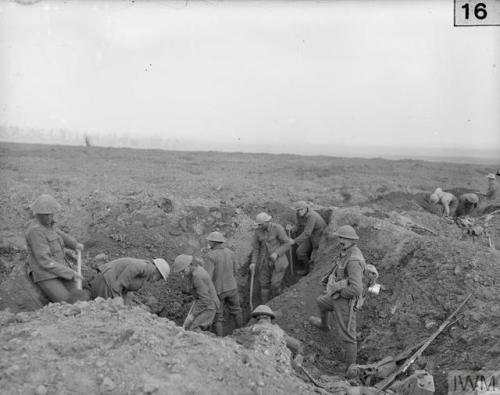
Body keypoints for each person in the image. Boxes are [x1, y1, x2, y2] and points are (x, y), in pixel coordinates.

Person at [308, 225, 366, 371]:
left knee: (349, 336)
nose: (340, 240)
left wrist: (340, 293)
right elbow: (339, 269)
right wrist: (329, 280)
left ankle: (350, 370)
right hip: (337, 295)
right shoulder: (345, 251)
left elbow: (356, 289)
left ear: (351, 240)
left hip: (346, 301)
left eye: (342, 238)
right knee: (321, 302)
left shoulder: (353, 260)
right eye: (339, 237)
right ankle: (324, 325)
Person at [25, 194, 88, 304]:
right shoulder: (35, 232)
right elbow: (45, 261)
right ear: (37, 214)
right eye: (45, 215)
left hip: (60, 268)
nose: (49, 217)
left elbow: (60, 235)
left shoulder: (49, 225)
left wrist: (75, 244)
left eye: (51, 214)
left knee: (81, 296)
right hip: (45, 273)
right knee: (67, 303)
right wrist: (71, 273)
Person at [204, 231, 242, 336]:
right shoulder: (231, 253)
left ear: (214, 242)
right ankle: (242, 331)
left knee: (218, 317)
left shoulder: (210, 256)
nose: (209, 242)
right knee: (236, 311)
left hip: (218, 290)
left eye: (210, 241)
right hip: (232, 287)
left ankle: (220, 341)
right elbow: (236, 269)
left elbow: (207, 277)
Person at [250, 212, 292, 303]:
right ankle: (264, 307)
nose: (259, 226)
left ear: (267, 222)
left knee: (275, 285)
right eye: (258, 225)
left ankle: (276, 303)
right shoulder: (257, 232)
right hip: (264, 263)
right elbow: (256, 248)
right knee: (264, 285)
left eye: (261, 225)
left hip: (278, 262)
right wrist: (253, 262)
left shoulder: (277, 228)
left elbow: (287, 243)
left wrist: (277, 253)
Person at [173, 254, 220, 331]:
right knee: (190, 327)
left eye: (182, 271)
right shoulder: (193, 272)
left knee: (194, 329)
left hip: (209, 306)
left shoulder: (198, 276)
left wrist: (192, 315)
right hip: (202, 302)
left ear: (189, 265)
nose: (182, 275)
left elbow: (205, 300)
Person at [90, 257, 170, 299]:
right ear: (157, 272)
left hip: (107, 282)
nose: (156, 281)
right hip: (106, 281)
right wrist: (119, 285)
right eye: (159, 278)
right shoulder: (148, 267)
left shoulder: (146, 273)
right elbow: (134, 267)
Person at [286, 201, 326, 275]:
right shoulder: (298, 214)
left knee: (314, 256)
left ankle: (311, 274)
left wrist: (294, 241)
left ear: (306, 208)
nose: (299, 212)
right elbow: (298, 225)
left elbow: (307, 233)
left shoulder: (311, 216)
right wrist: (292, 229)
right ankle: (306, 270)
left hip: (318, 234)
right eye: (298, 210)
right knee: (300, 252)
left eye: (301, 209)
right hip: (310, 234)